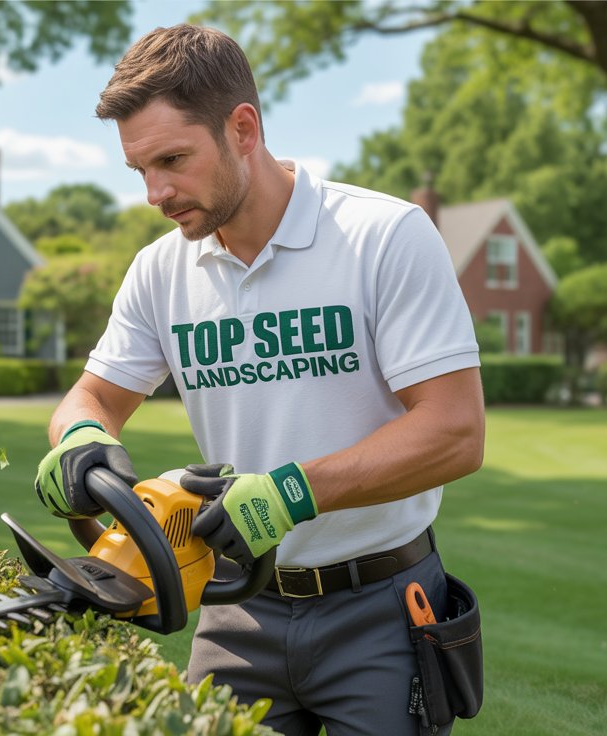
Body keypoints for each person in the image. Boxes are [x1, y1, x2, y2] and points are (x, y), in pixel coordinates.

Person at [33, 23, 485, 736]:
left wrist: (290, 494)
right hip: (234, 608)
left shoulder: (382, 237)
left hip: (382, 608)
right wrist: (80, 440)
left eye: (174, 160)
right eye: (141, 170)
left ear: (243, 128)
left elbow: (455, 433)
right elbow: (90, 397)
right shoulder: (161, 271)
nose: (156, 191)